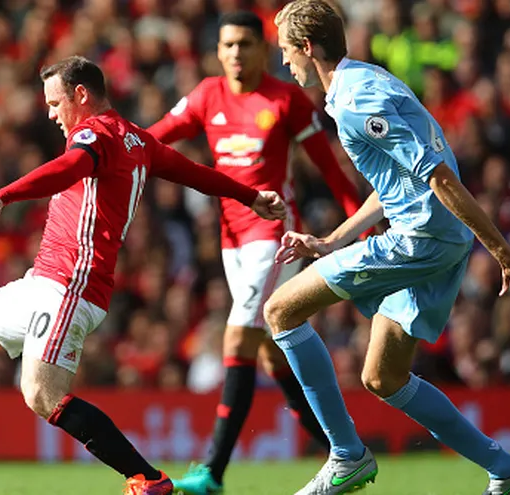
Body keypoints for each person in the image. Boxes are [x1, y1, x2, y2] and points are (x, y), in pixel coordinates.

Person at [0, 55, 288, 495]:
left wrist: (4, 196)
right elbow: (195, 174)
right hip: (44, 280)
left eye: (55, 103)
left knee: (41, 394)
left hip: (69, 286)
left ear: (81, 95)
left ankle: (148, 479)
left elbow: (68, 168)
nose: (50, 113)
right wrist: (250, 196)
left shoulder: (93, 135)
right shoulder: (136, 139)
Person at [264, 1, 510, 494]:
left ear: (308, 48)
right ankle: (508, 472)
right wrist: (332, 240)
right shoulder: (365, 82)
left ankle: (345, 457)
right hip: (439, 237)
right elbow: (401, 178)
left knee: (280, 311)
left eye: (286, 52)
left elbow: (438, 176)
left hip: (418, 240)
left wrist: (503, 250)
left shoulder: (357, 101)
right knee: (383, 375)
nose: (286, 63)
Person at [148, 11, 363, 494]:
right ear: (218, 51)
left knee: (237, 338)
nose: (236, 53)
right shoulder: (207, 96)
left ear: (262, 49)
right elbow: (155, 137)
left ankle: (212, 472)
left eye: (246, 43)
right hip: (231, 241)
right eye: (228, 45)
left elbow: (330, 170)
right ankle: (340, 446)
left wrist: (357, 227)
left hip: (274, 237)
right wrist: (114, 148)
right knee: (271, 353)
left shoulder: (286, 99)